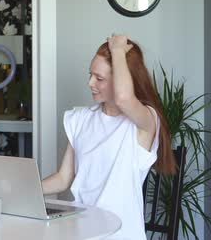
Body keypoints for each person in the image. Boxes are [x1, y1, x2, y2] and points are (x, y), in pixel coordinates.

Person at [42, 34, 176, 239]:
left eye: (100, 78)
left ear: (123, 79)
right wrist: (22, 191)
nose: (90, 83)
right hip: (82, 232)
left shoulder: (145, 122)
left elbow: (123, 99)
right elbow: (62, 179)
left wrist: (118, 50)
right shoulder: (80, 119)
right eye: (90, 74)